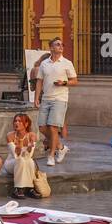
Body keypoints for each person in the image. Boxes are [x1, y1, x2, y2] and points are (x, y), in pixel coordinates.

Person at [34, 36, 77, 166]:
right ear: (51, 48)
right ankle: (60, 147)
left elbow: (75, 81)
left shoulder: (67, 63)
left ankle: (51, 155)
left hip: (60, 98)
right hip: (46, 98)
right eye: (57, 44)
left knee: (53, 127)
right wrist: (36, 98)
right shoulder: (44, 63)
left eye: (62, 44)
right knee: (42, 127)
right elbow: (39, 81)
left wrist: (63, 83)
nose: (60, 46)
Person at [4, 113, 40, 198]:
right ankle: (18, 189)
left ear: (26, 124)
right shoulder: (10, 135)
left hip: (25, 161)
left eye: (20, 121)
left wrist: (29, 149)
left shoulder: (32, 135)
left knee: (30, 161)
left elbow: (29, 156)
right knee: (20, 160)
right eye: (15, 121)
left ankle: (30, 188)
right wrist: (22, 149)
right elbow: (15, 155)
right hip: (11, 163)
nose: (16, 123)